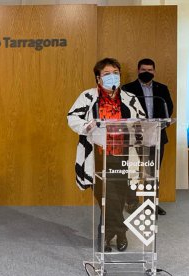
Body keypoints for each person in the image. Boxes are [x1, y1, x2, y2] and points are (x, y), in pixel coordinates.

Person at [67, 58, 146, 252]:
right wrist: (87, 126)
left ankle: (110, 233)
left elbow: (143, 121)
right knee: (105, 195)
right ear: (98, 78)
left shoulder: (130, 98)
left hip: (123, 154)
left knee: (116, 196)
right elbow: (72, 118)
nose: (113, 77)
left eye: (116, 73)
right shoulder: (87, 97)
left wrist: (134, 127)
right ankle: (119, 231)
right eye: (107, 73)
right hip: (97, 155)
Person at [122, 58, 173, 216]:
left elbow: (168, 108)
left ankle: (152, 204)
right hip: (134, 136)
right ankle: (132, 203)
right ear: (138, 71)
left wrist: (162, 122)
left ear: (154, 71)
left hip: (155, 135)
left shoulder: (162, 88)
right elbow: (124, 110)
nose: (147, 73)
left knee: (153, 171)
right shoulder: (128, 88)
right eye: (143, 70)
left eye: (150, 70)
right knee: (133, 171)